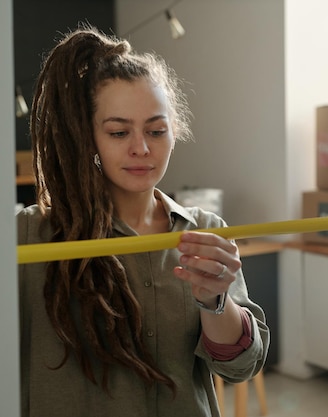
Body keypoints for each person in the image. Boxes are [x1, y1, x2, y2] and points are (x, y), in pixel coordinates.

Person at [17, 26, 269, 417]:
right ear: (89, 138)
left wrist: (215, 301)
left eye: (156, 130)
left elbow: (240, 368)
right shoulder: (31, 237)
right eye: (118, 132)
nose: (141, 148)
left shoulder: (204, 230)